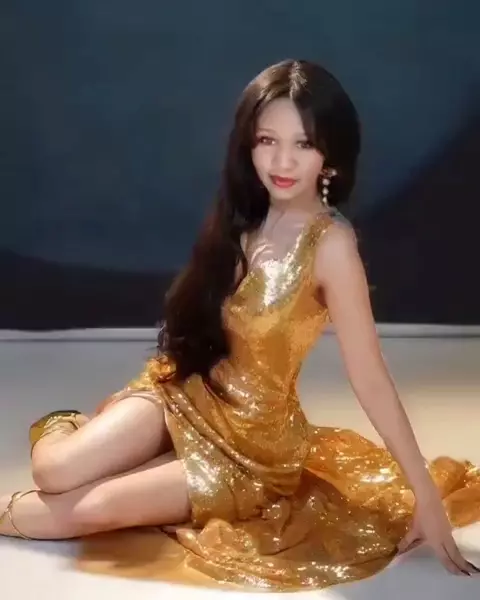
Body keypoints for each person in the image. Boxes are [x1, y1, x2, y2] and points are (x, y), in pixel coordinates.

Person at [1, 59, 479, 592]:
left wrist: (425, 495)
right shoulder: (244, 216)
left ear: (330, 155)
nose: (282, 161)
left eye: (303, 144)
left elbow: (370, 377)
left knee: (94, 508)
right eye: (267, 140)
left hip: (253, 451)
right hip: (187, 392)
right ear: (247, 144)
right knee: (54, 472)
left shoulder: (332, 246)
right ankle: (74, 428)